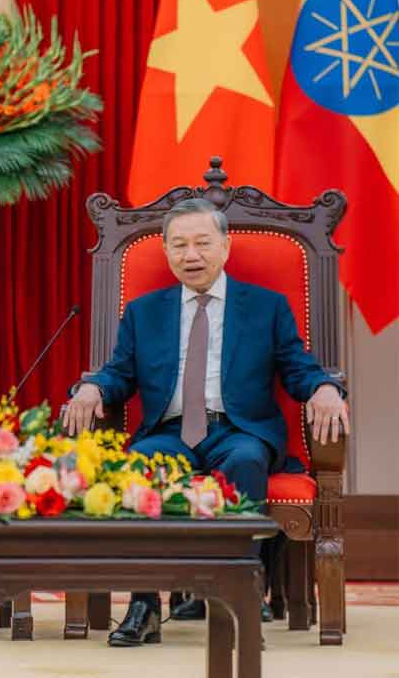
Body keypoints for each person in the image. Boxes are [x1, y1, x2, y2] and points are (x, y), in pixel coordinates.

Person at [62, 197, 349, 647]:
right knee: (138, 463)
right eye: (178, 245)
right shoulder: (144, 311)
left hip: (238, 431)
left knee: (246, 460)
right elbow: (120, 372)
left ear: (225, 246)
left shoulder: (266, 307)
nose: (190, 255)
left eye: (202, 243)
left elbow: (298, 368)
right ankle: (144, 606)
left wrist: (325, 389)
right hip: (170, 432)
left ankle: (239, 595)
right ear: (166, 251)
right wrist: (92, 387)